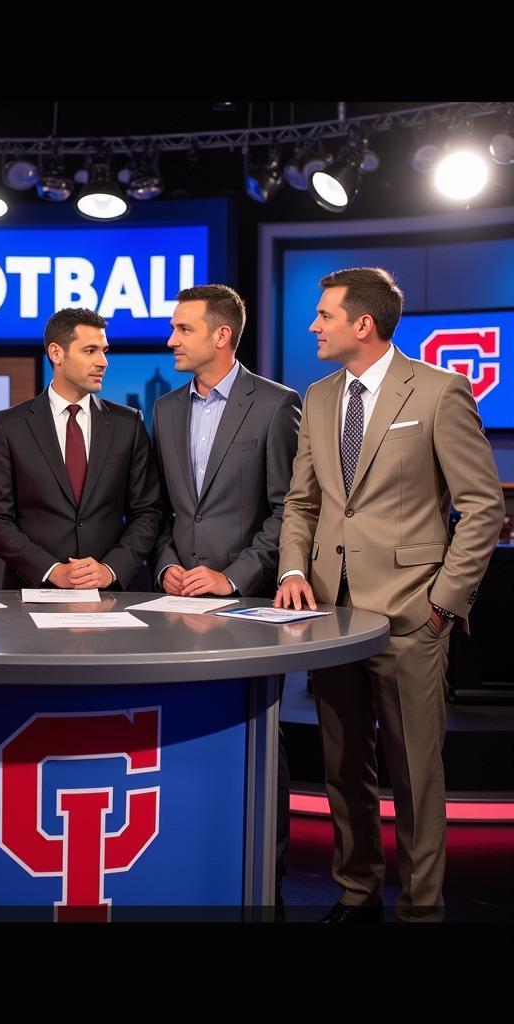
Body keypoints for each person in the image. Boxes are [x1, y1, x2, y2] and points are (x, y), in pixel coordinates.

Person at [275, 267, 503, 922]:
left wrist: (444, 601)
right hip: (331, 616)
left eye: (324, 315)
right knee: (344, 767)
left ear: (362, 324)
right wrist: (294, 572)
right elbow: (302, 503)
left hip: (411, 615)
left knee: (416, 773)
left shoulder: (438, 391)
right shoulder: (317, 397)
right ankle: (357, 889)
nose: (314, 325)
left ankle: (422, 909)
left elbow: (481, 507)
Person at [150, 284, 301, 913]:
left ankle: (267, 871)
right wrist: (166, 569)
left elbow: (287, 510)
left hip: (243, 602)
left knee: (259, 736)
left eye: (183, 329)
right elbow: (156, 509)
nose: (170, 340)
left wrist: (231, 577)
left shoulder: (275, 405)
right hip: (175, 601)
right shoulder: (162, 409)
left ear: (221, 335)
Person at [0, 307, 161, 591]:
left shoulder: (129, 423)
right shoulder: (8, 425)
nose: (103, 362)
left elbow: (148, 512)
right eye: (90, 351)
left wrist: (110, 569)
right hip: (32, 593)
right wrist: (52, 570)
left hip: (112, 595)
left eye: (104, 351)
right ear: (56, 353)